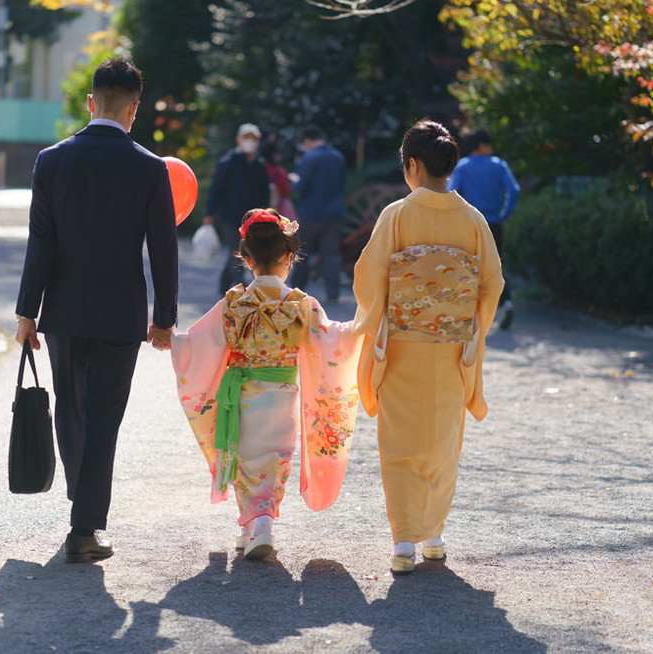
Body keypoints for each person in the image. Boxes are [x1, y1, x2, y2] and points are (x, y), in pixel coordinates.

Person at [14, 57, 179, 564]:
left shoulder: (51, 161)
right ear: (133, 110)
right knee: (104, 417)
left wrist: (27, 313)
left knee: (71, 408)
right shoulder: (151, 169)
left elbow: (40, 243)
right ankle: (85, 528)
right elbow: (163, 249)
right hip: (120, 313)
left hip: (63, 309)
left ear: (90, 103)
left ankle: (81, 503)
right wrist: (164, 318)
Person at [352, 119, 504, 574]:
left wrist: (371, 321)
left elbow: (371, 277)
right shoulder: (474, 220)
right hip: (453, 349)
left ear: (413, 165)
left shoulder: (396, 215)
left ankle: (403, 541)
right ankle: (434, 534)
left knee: (400, 445)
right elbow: (492, 284)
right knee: (442, 442)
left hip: (401, 348)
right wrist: (470, 327)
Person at [171, 209, 363, 561]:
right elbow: (333, 338)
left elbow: (200, 342)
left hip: (241, 393)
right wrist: (360, 326)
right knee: (275, 458)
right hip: (282, 395)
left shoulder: (233, 302)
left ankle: (253, 524)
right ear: (289, 257)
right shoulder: (301, 304)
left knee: (245, 456)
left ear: (245, 258)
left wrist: (172, 340)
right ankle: (260, 525)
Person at [448, 130, 519, 329]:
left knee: (466, 265)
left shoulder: (462, 167)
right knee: (494, 266)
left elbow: (451, 191)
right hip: (494, 222)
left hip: (468, 223)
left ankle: (465, 315)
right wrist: (504, 215)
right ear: (482, 145)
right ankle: (506, 303)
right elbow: (514, 190)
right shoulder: (499, 165)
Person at [202, 123, 270, 294]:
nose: (250, 142)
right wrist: (209, 213)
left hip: (252, 218)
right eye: (246, 137)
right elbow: (216, 189)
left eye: (253, 138)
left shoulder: (259, 165)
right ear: (238, 139)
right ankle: (243, 290)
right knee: (238, 251)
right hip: (230, 217)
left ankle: (223, 286)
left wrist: (267, 215)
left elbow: (264, 193)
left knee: (238, 250)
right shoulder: (228, 162)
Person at [290, 125, 346, 304]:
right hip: (334, 212)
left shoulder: (310, 157)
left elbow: (301, 186)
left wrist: (293, 181)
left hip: (312, 212)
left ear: (307, 141)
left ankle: (296, 291)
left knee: (303, 252)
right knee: (331, 255)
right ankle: (333, 293)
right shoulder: (338, 156)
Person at [260, 138, 297, 220]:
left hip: (262, 208)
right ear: (274, 154)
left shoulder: (259, 169)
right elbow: (286, 192)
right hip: (280, 209)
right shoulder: (280, 171)